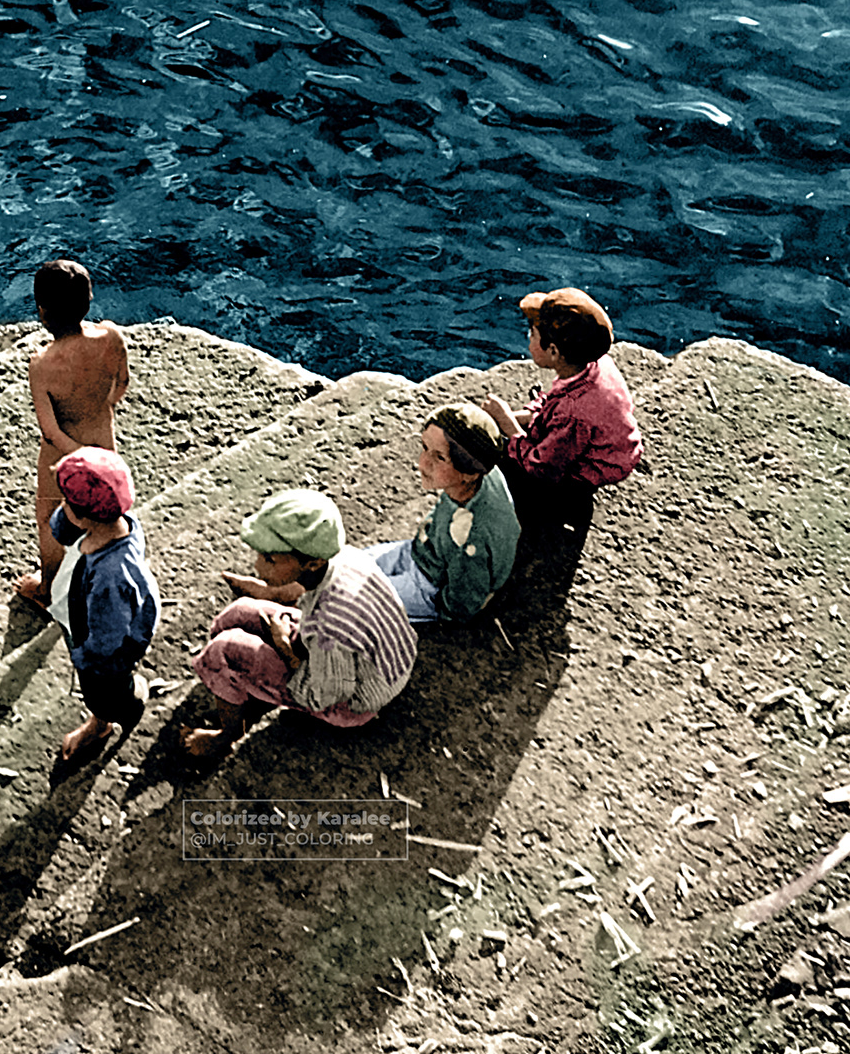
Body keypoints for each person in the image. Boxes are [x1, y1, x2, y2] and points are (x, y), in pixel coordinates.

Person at [181, 490, 418, 762]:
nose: (257, 565)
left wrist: (285, 650)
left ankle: (226, 736)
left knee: (222, 652)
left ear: (312, 563)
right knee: (239, 612)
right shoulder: (344, 557)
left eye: (270, 560)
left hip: (354, 698)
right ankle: (241, 688)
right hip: (375, 656)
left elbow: (323, 694)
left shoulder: (329, 627)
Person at [481, 287, 641, 596]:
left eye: (532, 334)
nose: (527, 339)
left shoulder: (575, 413)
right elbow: (552, 402)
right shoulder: (594, 364)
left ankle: (549, 511)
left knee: (502, 465)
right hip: (606, 440)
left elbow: (541, 465)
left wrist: (506, 426)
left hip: (587, 467)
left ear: (553, 352)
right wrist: (521, 416)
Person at [38, 447, 161, 774]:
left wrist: (85, 657)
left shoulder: (110, 579)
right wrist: (70, 518)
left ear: (83, 516)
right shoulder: (121, 521)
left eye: (67, 502)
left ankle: (115, 712)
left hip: (104, 650)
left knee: (102, 692)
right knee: (96, 684)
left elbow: (108, 637)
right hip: (87, 616)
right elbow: (63, 530)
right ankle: (106, 709)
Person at [13, 259, 130, 605]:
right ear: (88, 300)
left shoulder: (42, 364)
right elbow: (121, 383)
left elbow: (49, 430)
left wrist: (79, 456)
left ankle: (48, 588)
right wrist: (101, 412)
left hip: (63, 457)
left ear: (42, 312)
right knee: (103, 513)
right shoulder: (111, 336)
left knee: (51, 521)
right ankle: (101, 575)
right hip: (104, 443)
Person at [365, 404, 521, 623]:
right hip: (425, 550)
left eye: (439, 458)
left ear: (470, 472)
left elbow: (465, 594)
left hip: (430, 585)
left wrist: (447, 614)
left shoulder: (467, 537)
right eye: (424, 447)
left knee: (351, 600)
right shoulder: (483, 469)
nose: (422, 463)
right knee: (347, 565)